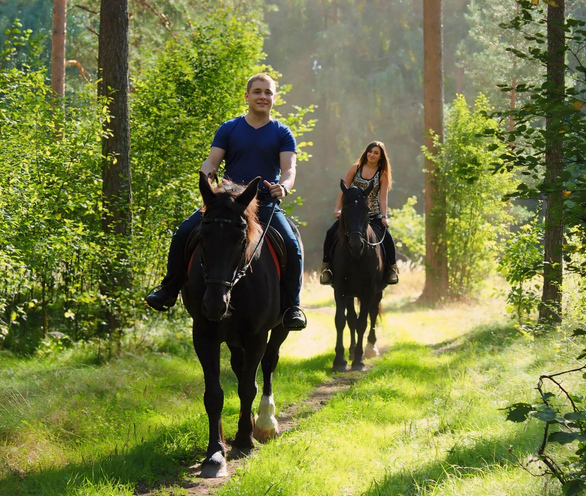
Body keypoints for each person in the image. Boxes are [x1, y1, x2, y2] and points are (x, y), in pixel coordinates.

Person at [146, 73, 307, 331]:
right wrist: (207, 173)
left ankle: (292, 307)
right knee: (183, 232)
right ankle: (168, 289)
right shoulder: (229, 128)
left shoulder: (282, 133)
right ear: (247, 96)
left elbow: (289, 169)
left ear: (274, 98)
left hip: (263, 205)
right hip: (226, 205)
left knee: (292, 245)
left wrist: (284, 187)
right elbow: (212, 161)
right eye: (257, 91)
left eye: (268, 92)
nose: (263, 96)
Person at [320, 141, 399, 286]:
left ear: (381, 156)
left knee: (387, 237)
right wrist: (338, 208)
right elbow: (343, 190)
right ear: (366, 152)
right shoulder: (355, 168)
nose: (372, 155)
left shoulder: (382, 175)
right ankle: (327, 268)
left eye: (376, 153)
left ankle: (391, 269)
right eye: (370, 151)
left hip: (372, 214)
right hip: (352, 215)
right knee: (331, 232)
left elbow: (383, 198)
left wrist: (384, 216)